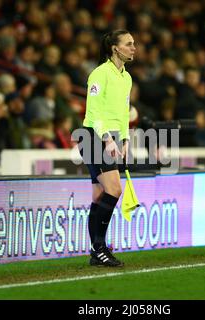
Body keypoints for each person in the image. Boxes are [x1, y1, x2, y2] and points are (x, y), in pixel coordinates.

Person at [78, 29, 135, 267]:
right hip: (93, 136)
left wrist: (123, 139)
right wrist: (106, 139)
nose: (134, 47)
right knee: (114, 189)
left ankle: (96, 252)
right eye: (129, 44)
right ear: (115, 48)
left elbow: (123, 111)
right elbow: (94, 110)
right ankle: (100, 248)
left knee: (99, 195)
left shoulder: (126, 77)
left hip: (109, 137)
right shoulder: (100, 74)